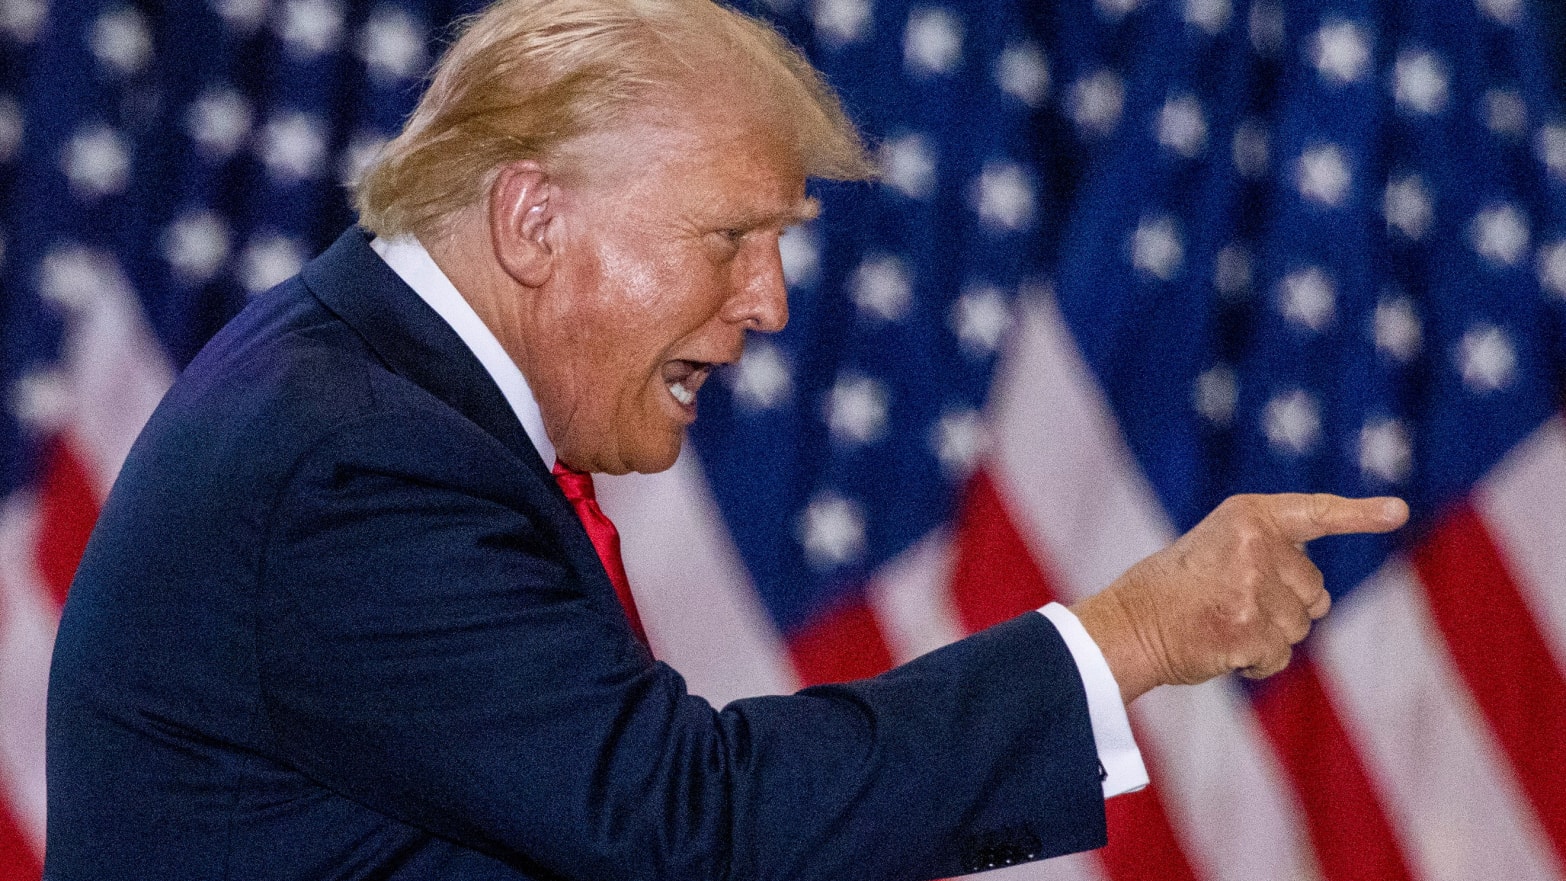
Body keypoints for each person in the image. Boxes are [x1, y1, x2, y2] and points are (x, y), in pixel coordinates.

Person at [44, 1, 1408, 879]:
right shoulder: (354, 461)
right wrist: (1132, 635)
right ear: (533, 220)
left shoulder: (369, 392)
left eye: (780, 245)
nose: (765, 304)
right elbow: (685, 825)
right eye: (729, 239)